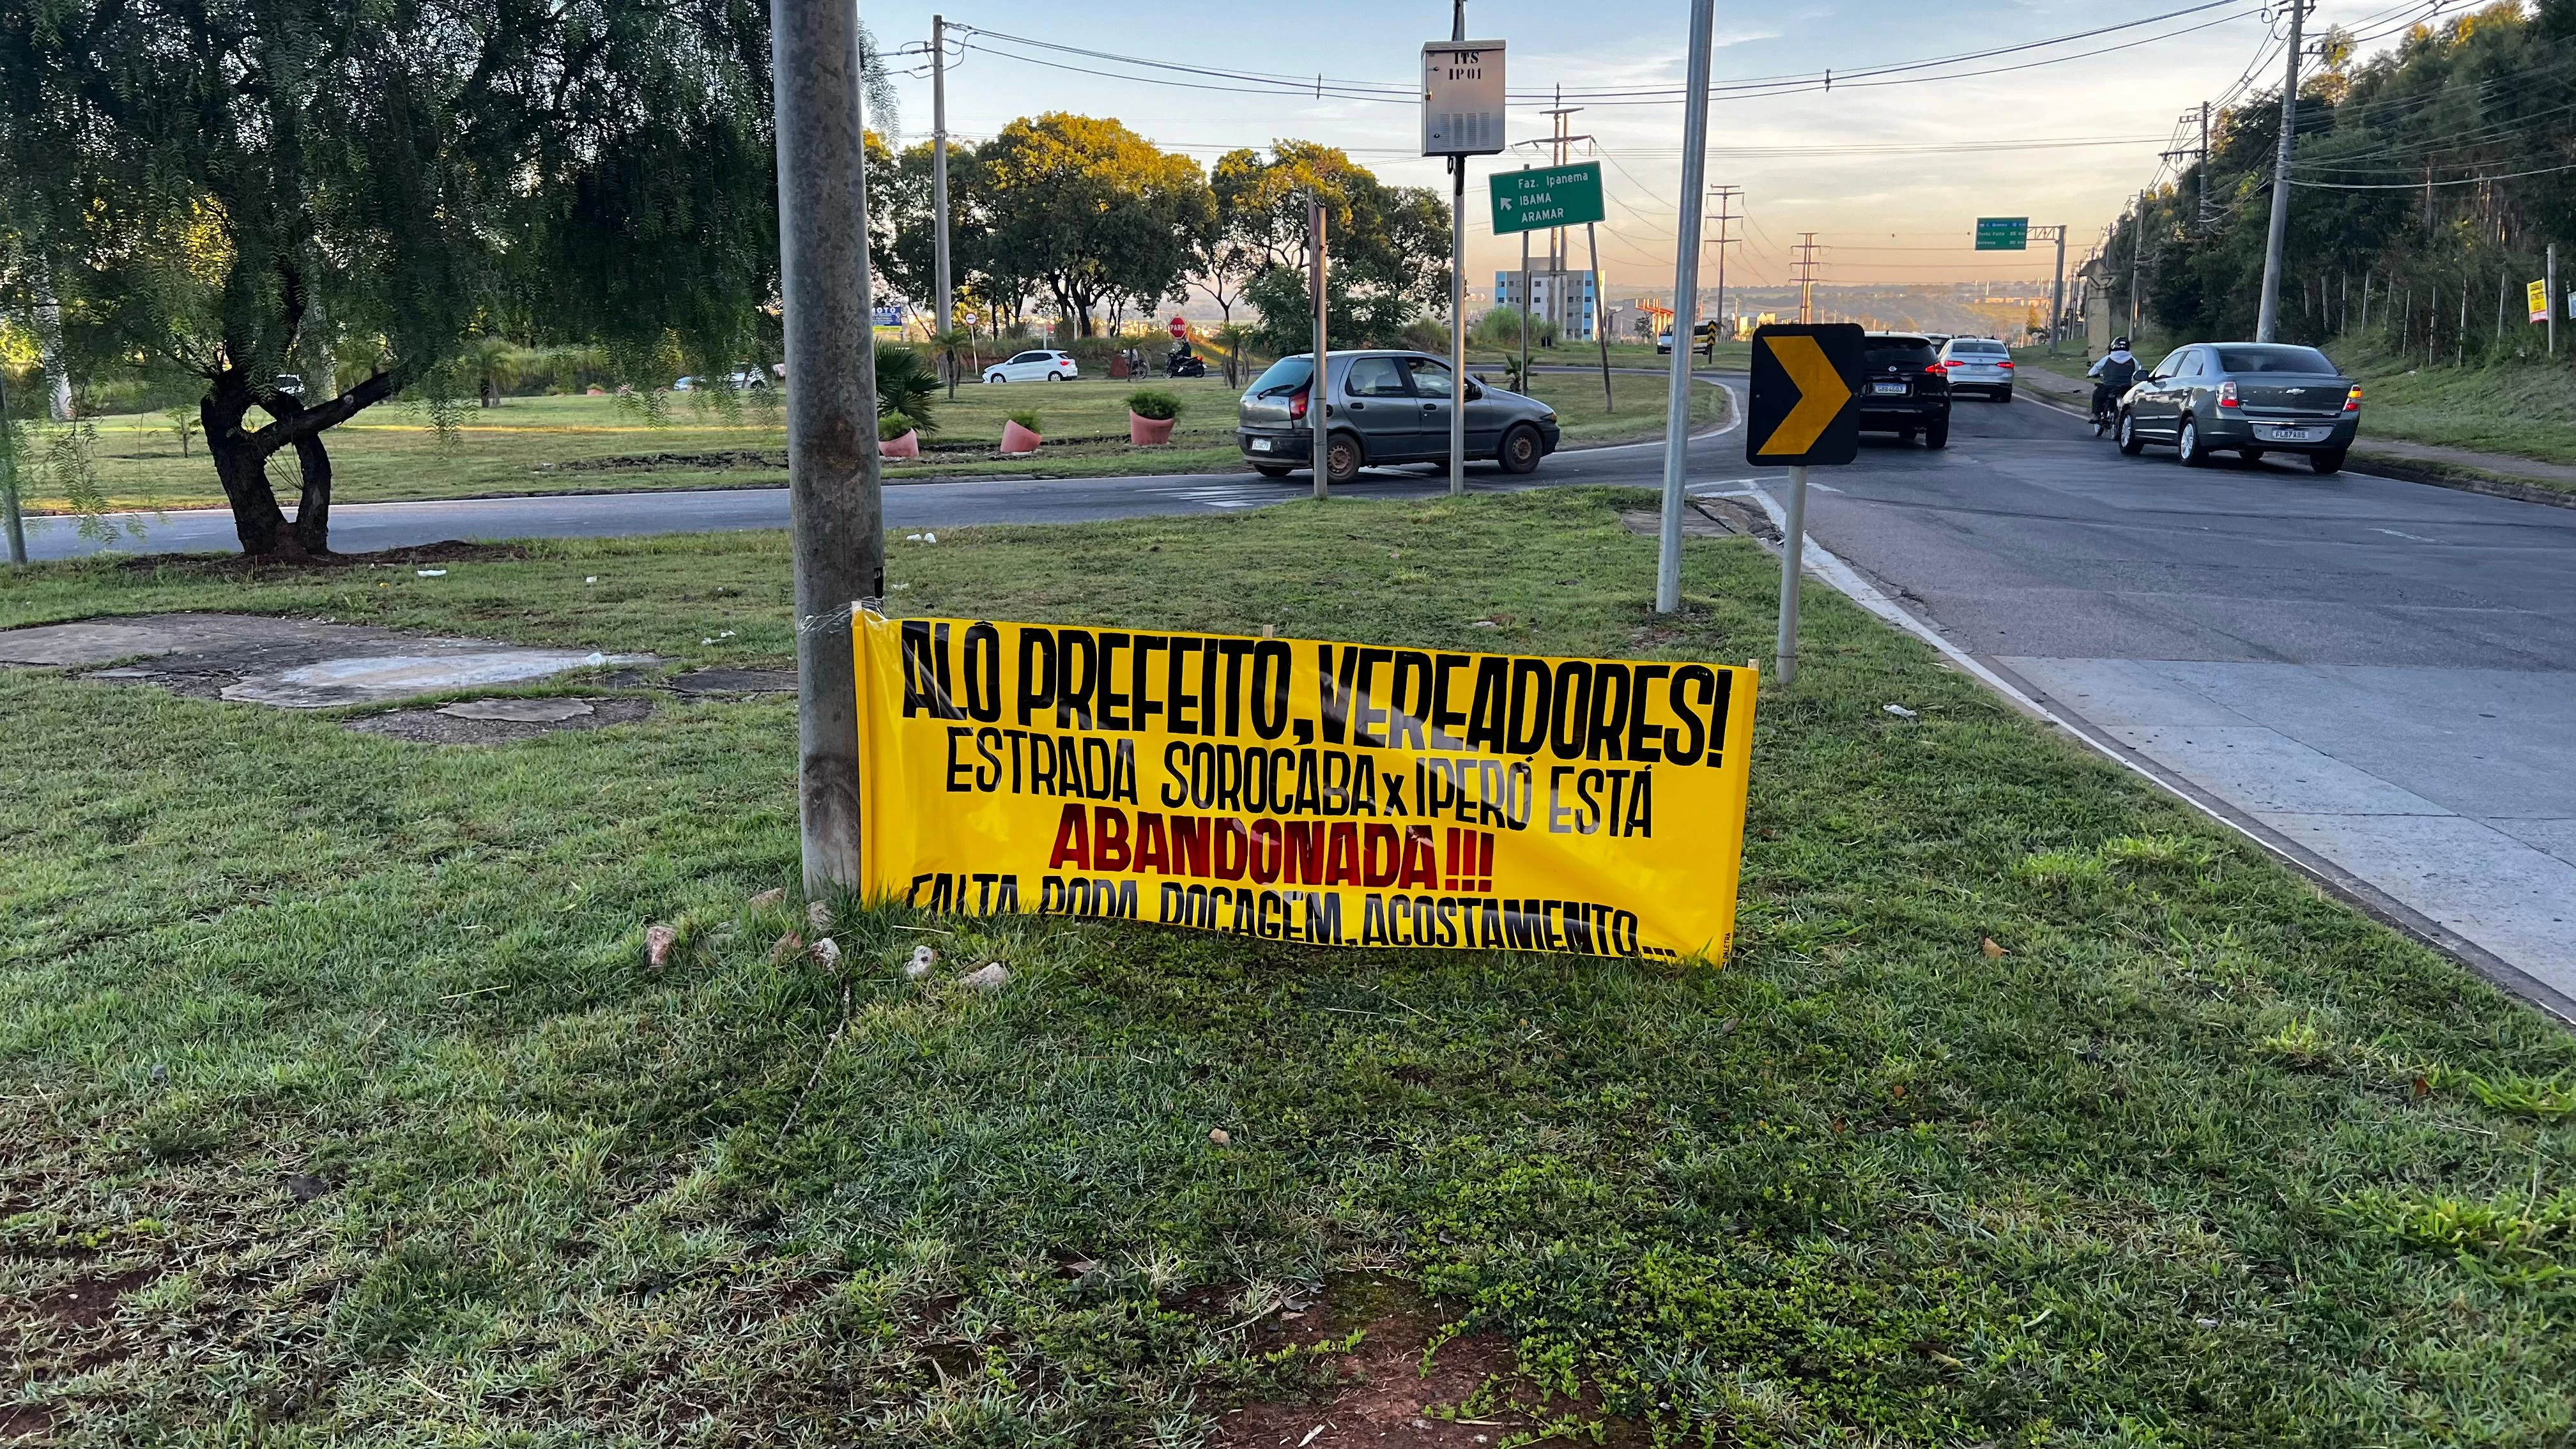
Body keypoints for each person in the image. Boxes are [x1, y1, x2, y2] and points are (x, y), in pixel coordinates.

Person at [2087, 337, 2141, 421]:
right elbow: (2138, 372)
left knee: (2097, 395)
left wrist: (2090, 374)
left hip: (2108, 387)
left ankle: (2096, 415)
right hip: (2125, 388)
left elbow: (2095, 369)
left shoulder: (2107, 358)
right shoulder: (2133, 360)